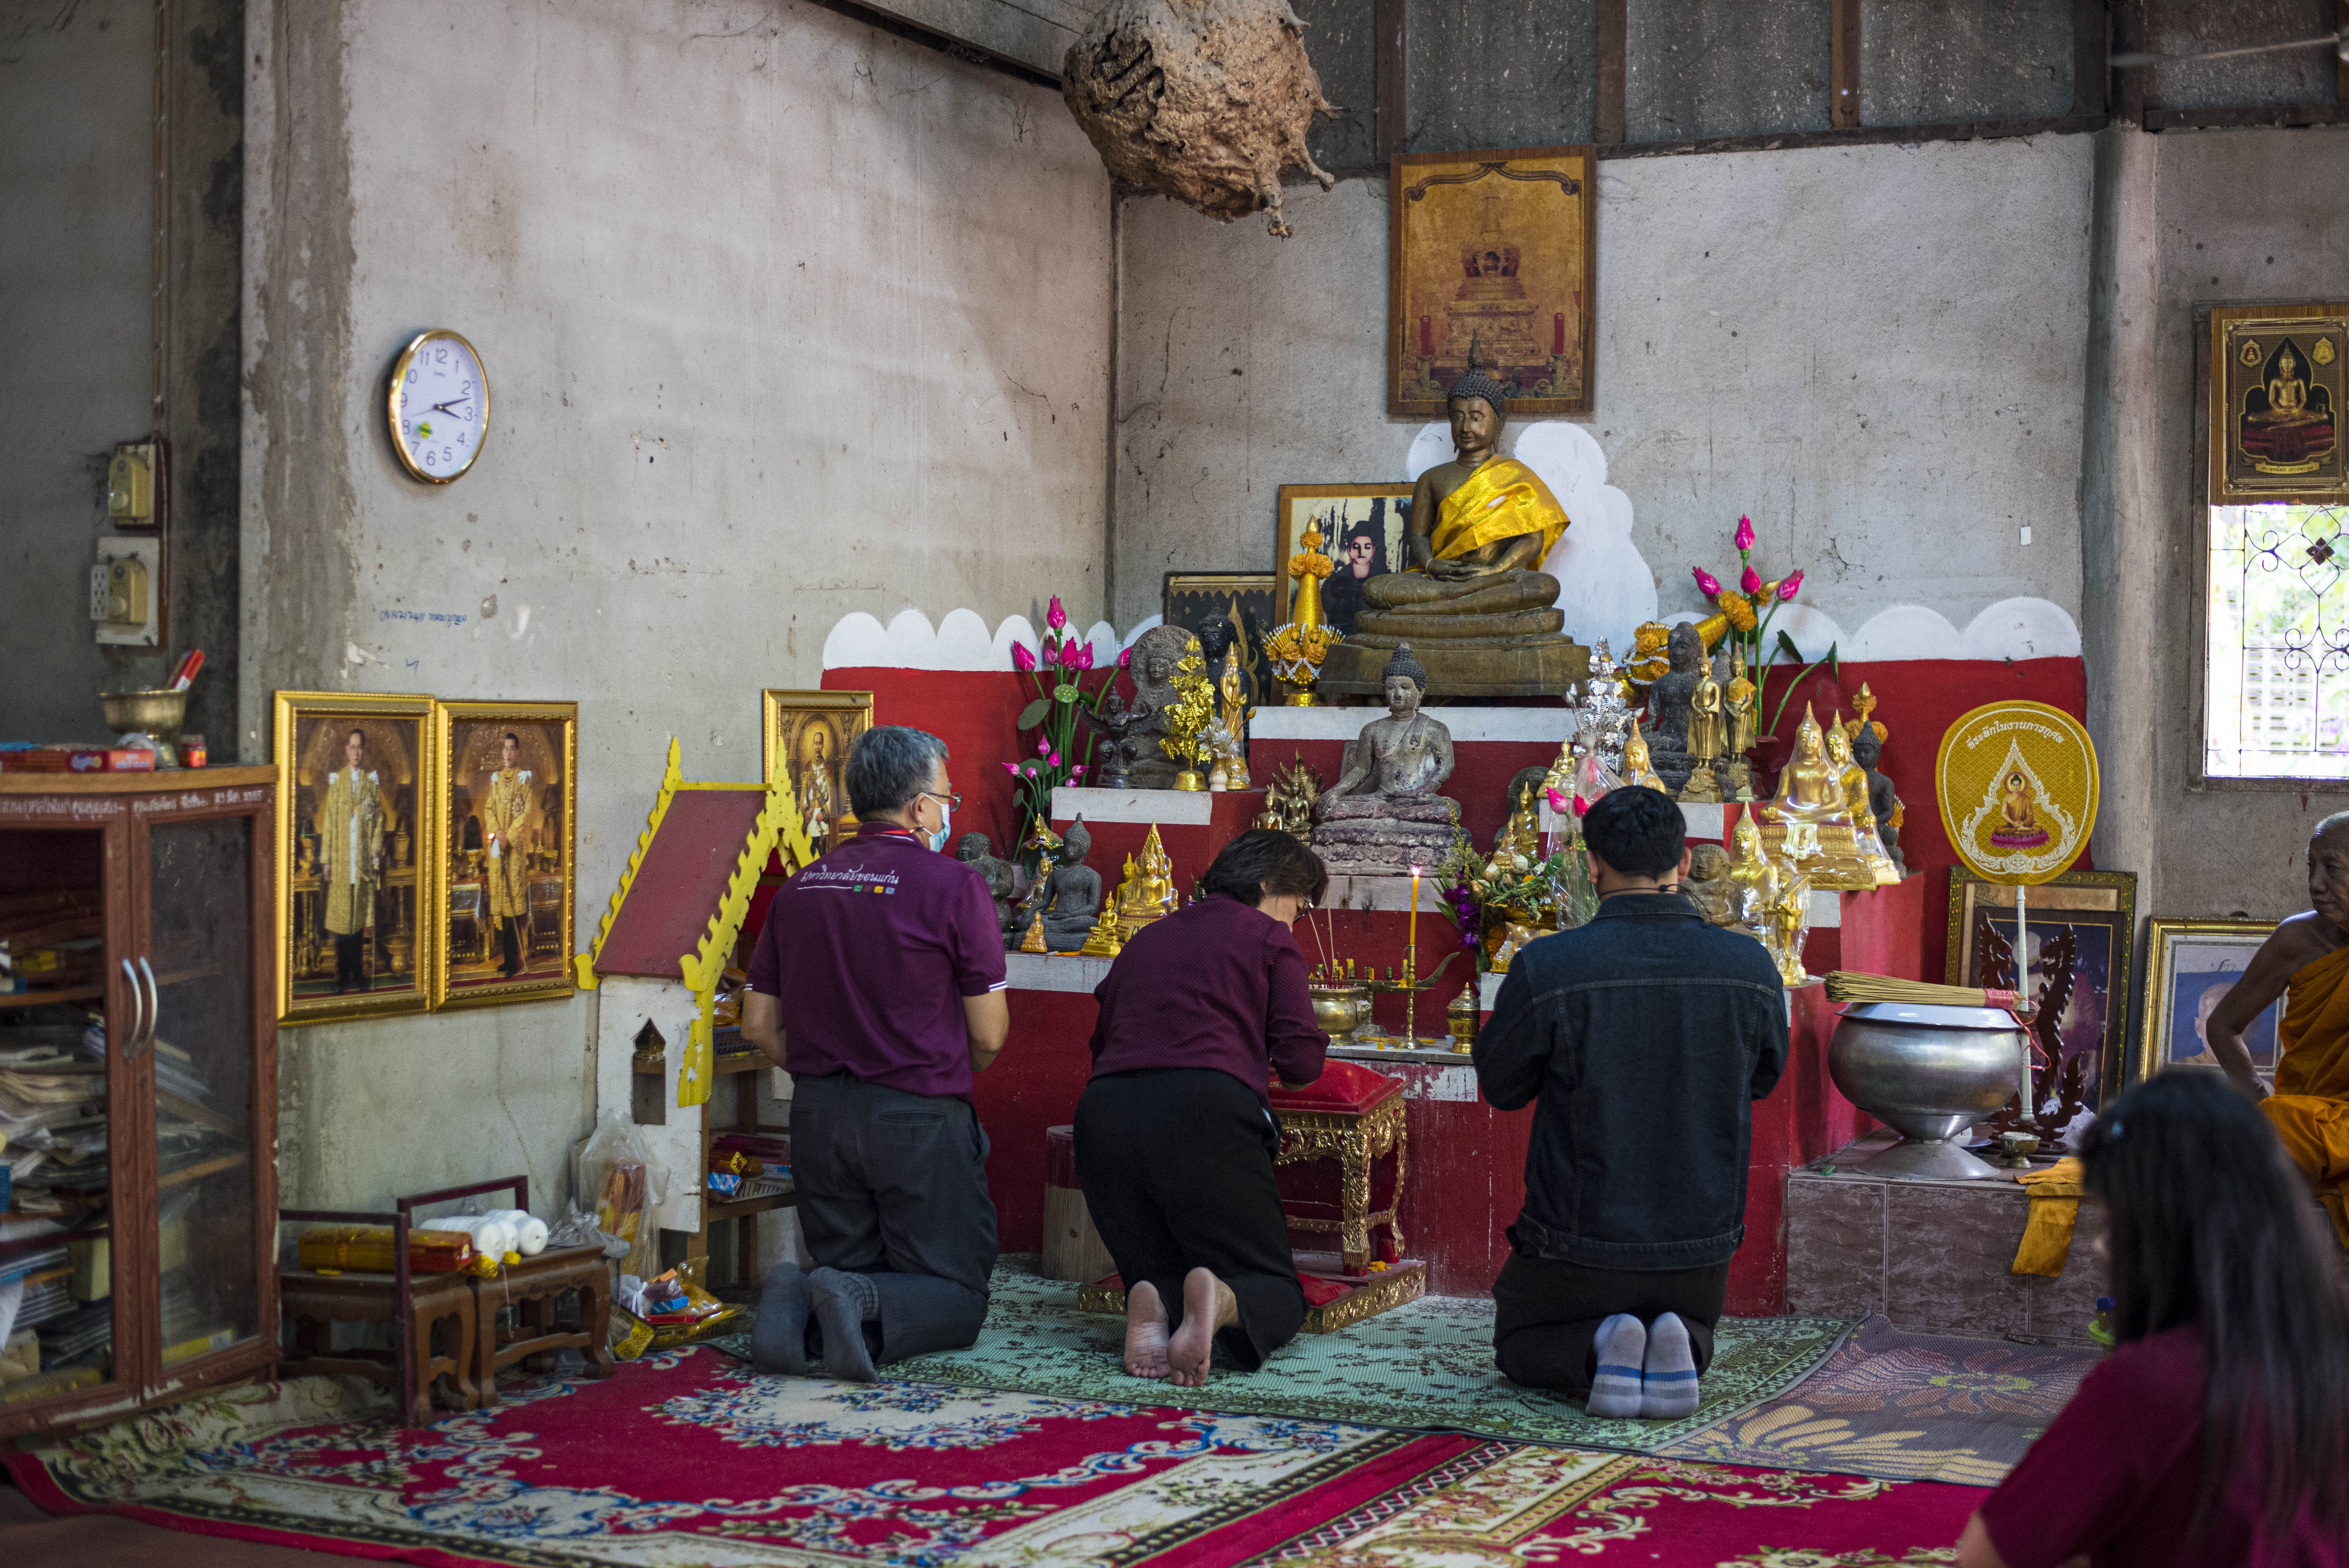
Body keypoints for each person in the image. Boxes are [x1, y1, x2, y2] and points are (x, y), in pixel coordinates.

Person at [1473, 786, 1788, 1418]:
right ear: (1686, 862)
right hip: (1700, 1248)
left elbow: (1502, 1087)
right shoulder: (1749, 965)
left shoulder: (1549, 965)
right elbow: (1763, 1080)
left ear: (1592, 866)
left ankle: (1601, 1345)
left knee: (1519, 1344)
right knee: (1689, 1317)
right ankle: (1685, 1340)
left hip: (1577, 1245)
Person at [1957, 1072, 2349, 1566]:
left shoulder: (2156, 1382)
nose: (2103, 1246)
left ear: (2154, 1230)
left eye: (2112, 1223)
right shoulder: (2334, 1349)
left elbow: (1986, 1555)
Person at [740, 725, 1011, 1381]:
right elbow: (989, 1035)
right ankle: (843, 1296)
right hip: (918, 1113)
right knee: (958, 1293)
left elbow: (757, 1025)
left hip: (818, 1114)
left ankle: (803, 1298)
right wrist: (935, 1074)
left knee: (850, 1267)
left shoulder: (801, 888)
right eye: (947, 799)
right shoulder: (954, 886)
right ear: (919, 807)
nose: (948, 813)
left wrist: (824, 1072)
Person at [1074, 829, 1329, 1388]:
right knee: (1277, 1292)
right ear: (1269, 885)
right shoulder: (1268, 937)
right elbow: (1300, 1065)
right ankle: (1219, 1296)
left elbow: (1103, 1040)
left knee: (1158, 1261)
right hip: (1206, 1110)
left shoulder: (1147, 936)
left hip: (1104, 1114)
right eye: (1301, 904)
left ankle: (1154, 1296)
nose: (1299, 919)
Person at [2205, 811, 2349, 1249]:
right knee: (2264, 1128)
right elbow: (2223, 1024)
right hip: (2306, 1120)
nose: (2316, 884)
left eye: (2332, 867)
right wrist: (2256, 1094)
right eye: (2311, 866)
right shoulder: (2297, 940)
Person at [319, 727, 385, 994]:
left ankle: (358, 975)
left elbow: (379, 820)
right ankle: (342, 976)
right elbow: (329, 823)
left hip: (362, 864)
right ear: (346, 751)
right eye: (352, 747)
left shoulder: (371, 784)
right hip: (342, 862)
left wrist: (375, 849)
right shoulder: (337, 783)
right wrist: (327, 861)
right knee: (342, 921)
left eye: (360, 747)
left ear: (364, 751)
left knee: (357, 921)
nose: (356, 752)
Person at [480, 732, 533, 979]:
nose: (508, 753)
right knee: (501, 906)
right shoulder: (496, 780)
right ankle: (507, 958)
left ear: (518, 752)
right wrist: (497, 833)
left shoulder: (524, 780)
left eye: (513, 748)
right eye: (505, 748)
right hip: (498, 849)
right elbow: (489, 809)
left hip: (513, 852)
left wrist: (507, 837)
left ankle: (514, 961)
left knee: (513, 907)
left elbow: (525, 815)